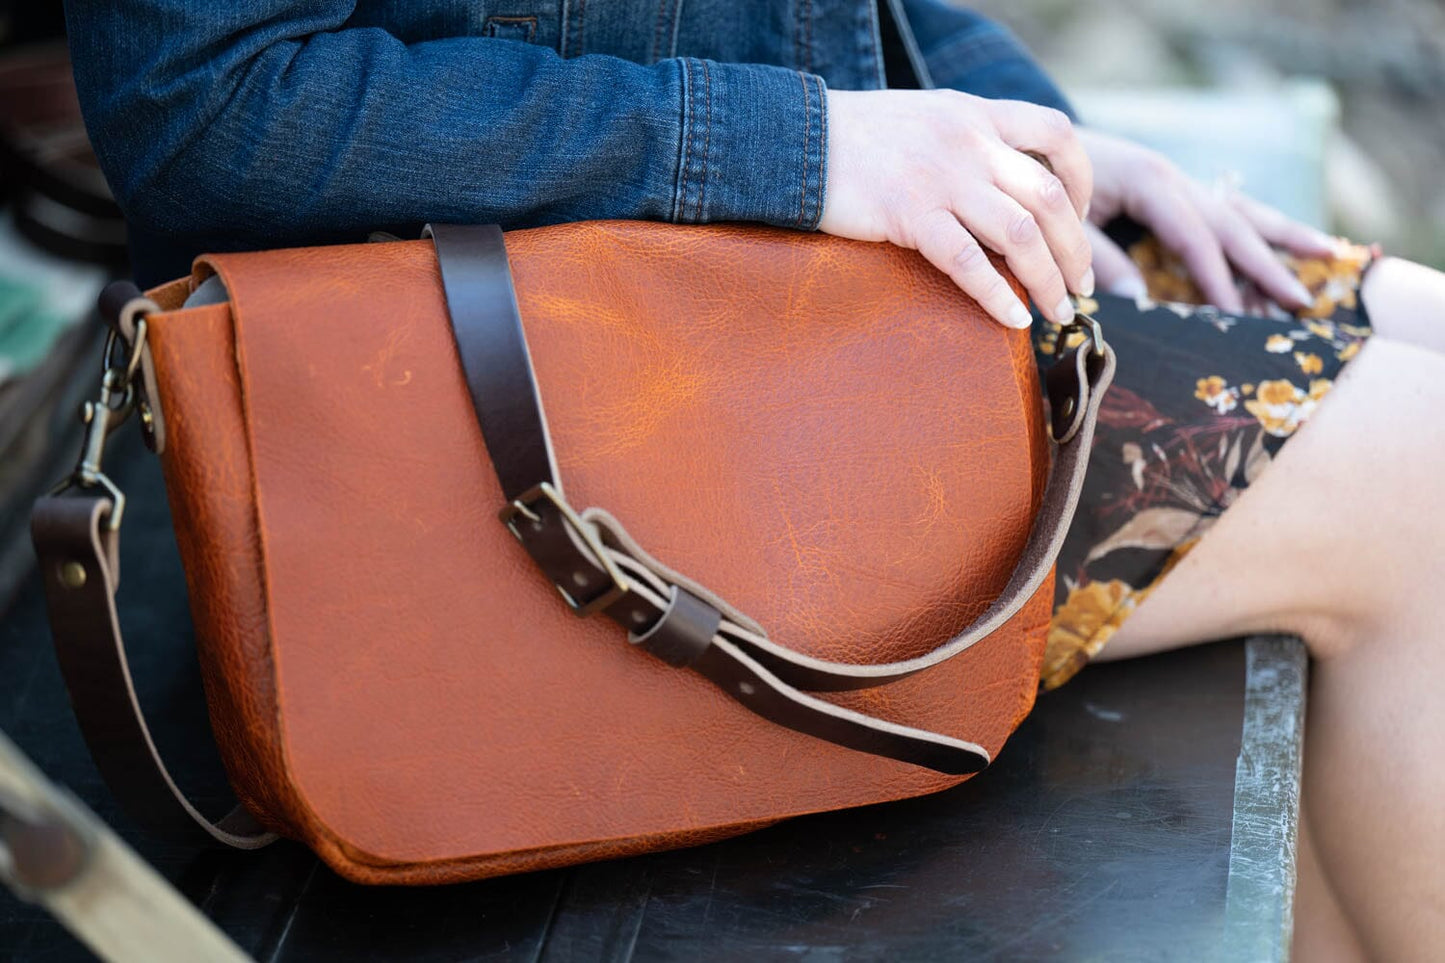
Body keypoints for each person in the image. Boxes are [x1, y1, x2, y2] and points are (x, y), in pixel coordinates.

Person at [62, 1, 1443, 958]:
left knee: (1417, 325)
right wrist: (807, 151)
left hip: (773, 291)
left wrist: (1036, 148)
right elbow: (205, 106)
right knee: (1419, 476)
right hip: (519, 439)